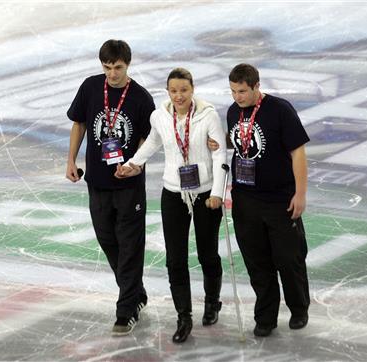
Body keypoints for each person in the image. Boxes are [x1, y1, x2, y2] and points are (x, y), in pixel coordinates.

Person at [115, 67, 227, 343]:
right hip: (173, 194)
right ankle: (183, 316)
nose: (179, 96)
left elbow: (220, 154)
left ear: (193, 89)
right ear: (168, 91)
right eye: (174, 91)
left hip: (204, 196)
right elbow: (153, 142)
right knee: (175, 260)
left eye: (184, 90)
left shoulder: (208, 115)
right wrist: (132, 164)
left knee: (207, 254)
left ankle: (212, 301)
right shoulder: (160, 116)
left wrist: (217, 192)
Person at [66, 39, 155, 336]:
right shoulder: (91, 87)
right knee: (108, 241)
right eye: (107, 67)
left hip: (128, 185)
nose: (112, 74)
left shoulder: (140, 97)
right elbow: (79, 123)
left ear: (127, 64)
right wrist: (71, 160)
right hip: (98, 183)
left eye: (117, 68)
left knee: (130, 246)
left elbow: (147, 138)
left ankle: (126, 310)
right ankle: (136, 292)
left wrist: (136, 164)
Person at [225, 63, 311, 337]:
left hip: (279, 200)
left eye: (242, 91)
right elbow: (239, 143)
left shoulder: (280, 110)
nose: (237, 97)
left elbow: (297, 152)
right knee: (257, 261)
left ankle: (299, 308)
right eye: (233, 91)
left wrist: (300, 193)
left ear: (256, 86)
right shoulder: (232, 112)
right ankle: (266, 316)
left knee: (289, 259)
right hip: (245, 200)